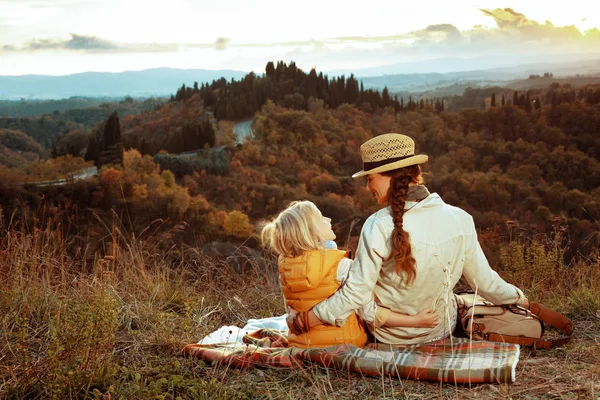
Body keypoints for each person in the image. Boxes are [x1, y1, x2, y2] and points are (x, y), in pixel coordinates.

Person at [287, 133, 528, 345]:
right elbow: (484, 283)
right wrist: (520, 299)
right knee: (457, 295)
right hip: (439, 329)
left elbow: (356, 294)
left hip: (389, 336)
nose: (368, 186)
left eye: (370, 178)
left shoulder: (377, 224)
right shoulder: (461, 219)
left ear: (388, 176)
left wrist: (307, 320)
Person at [261, 200, 439, 349]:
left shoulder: (286, 269)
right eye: (321, 218)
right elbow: (371, 314)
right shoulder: (341, 266)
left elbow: (292, 312)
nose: (328, 219)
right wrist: (417, 320)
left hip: (301, 346)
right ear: (311, 232)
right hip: (343, 344)